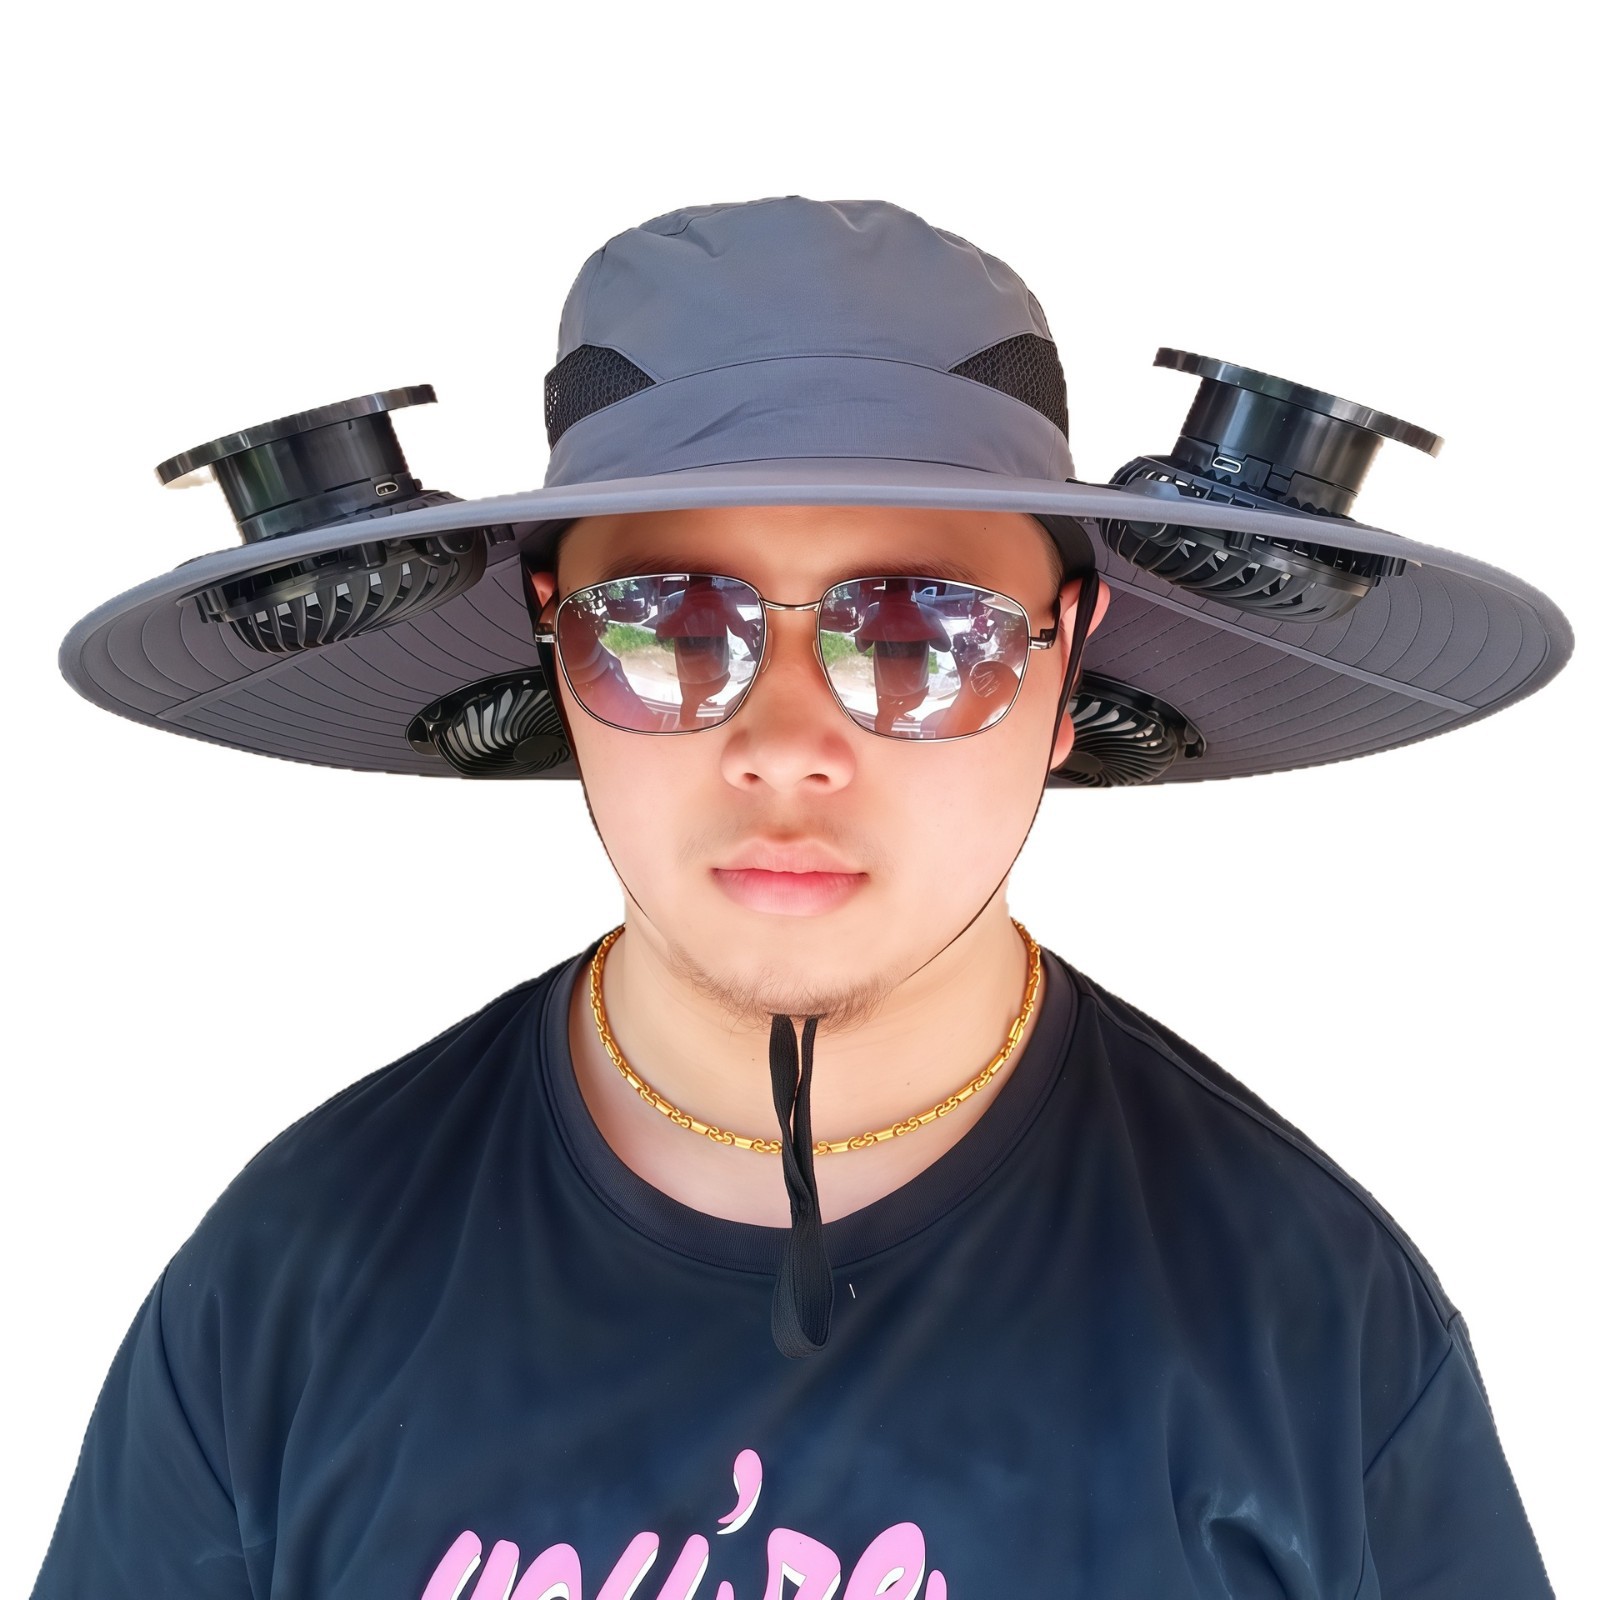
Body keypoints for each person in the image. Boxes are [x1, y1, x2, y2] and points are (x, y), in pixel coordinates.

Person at [37, 197, 1569, 1598]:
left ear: (1068, 663)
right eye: (665, 627)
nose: (785, 747)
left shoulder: (1308, 1322)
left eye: (922, 636)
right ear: (555, 651)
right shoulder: (293, 1280)